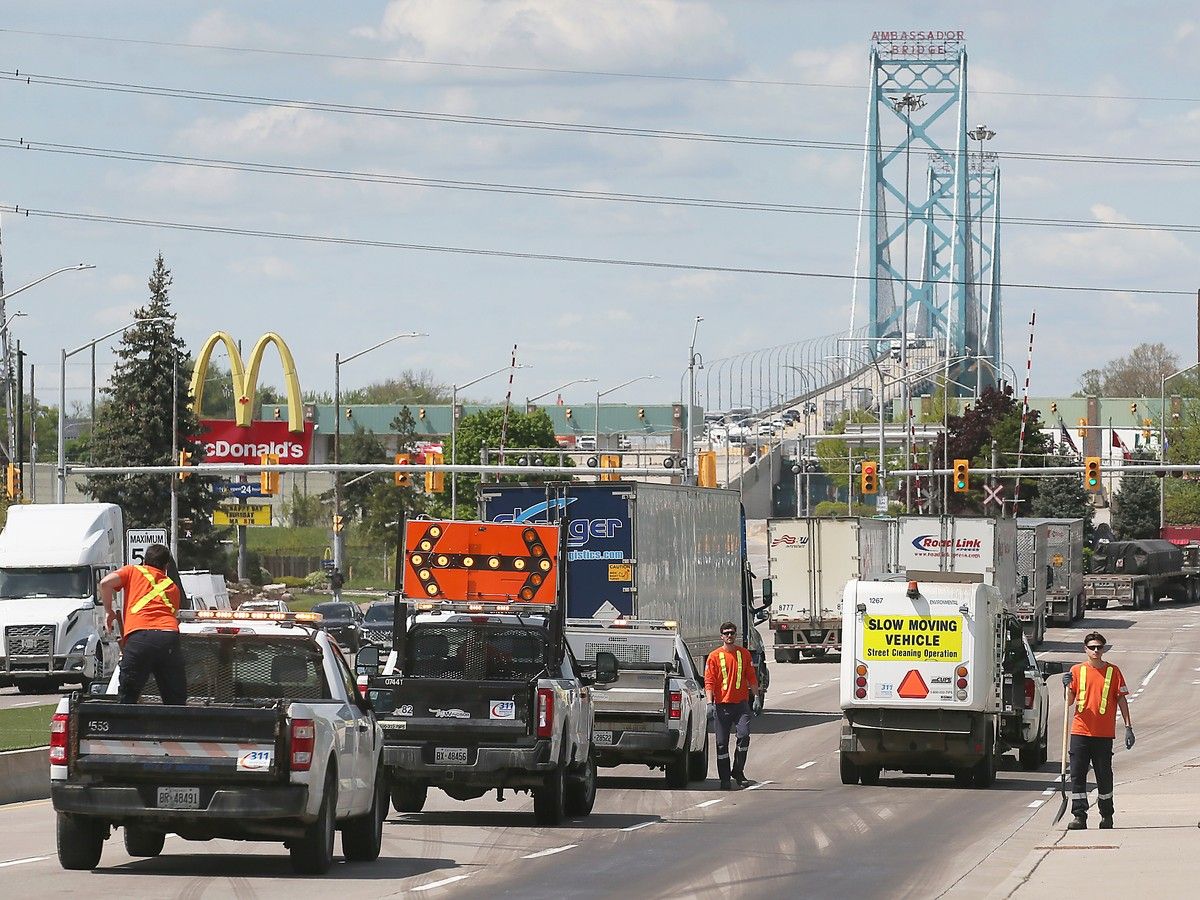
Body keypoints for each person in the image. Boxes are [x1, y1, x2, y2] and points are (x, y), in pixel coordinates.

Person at [99, 544, 187, 705]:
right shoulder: (173, 588)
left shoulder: (132, 571)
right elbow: (173, 615)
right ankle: (176, 727)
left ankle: (125, 725)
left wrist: (108, 611)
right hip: (168, 637)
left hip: (139, 637)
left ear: (144, 561)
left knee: (128, 695)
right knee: (175, 699)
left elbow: (105, 583)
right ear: (166, 566)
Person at [1064, 631, 1133, 830]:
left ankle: (1107, 815)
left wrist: (1128, 727)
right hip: (1080, 732)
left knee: (1104, 775)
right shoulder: (1077, 671)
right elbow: (1069, 702)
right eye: (1092, 647)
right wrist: (1067, 687)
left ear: (1104, 649)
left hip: (1103, 734)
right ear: (1085, 649)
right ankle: (1079, 816)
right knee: (1077, 775)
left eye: (1099, 647)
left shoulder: (1113, 671)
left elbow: (1121, 699)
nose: (1096, 650)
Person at [704, 621, 760, 790]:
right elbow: (709, 681)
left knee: (744, 736)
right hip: (721, 707)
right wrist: (709, 703)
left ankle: (737, 771)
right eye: (726, 633)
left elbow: (751, 678)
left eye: (732, 633)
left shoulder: (744, 654)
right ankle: (724, 779)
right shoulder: (714, 656)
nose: (729, 636)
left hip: (741, 706)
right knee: (721, 744)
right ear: (721, 636)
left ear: (736, 635)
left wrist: (756, 697)